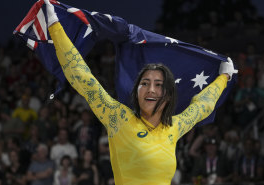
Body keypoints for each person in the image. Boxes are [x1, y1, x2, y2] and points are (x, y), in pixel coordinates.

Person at [36, 1, 237, 184]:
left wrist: (223, 77)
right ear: (136, 91)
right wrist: (55, 25)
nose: (151, 89)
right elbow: (81, 77)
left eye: (158, 85)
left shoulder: (174, 127)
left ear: (167, 94)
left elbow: (203, 106)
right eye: (145, 83)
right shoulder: (118, 117)